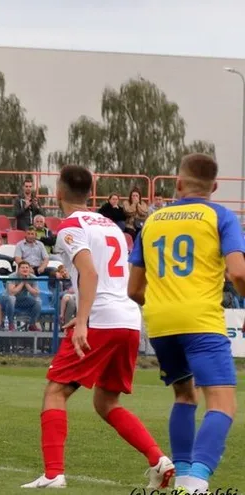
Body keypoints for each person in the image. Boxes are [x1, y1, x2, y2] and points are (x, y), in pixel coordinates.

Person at [22, 164, 172, 489]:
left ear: (59, 192)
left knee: (56, 391)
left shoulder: (69, 226)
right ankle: (159, 460)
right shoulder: (110, 225)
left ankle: (53, 474)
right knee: (106, 402)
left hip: (102, 318)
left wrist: (84, 321)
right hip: (129, 320)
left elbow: (89, 274)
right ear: (90, 192)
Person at [128, 153, 245, 494]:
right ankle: (195, 483)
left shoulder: (152, 221)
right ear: (216, 186)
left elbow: (134, 289)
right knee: (223, 403)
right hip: (201, 319)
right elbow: (237, 271)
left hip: (160, 322)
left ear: (178, 184)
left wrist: (164, 304)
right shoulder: (220, 215)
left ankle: (181, 476)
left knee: (184, 396)